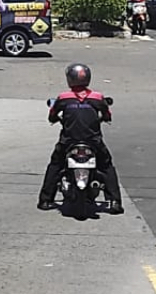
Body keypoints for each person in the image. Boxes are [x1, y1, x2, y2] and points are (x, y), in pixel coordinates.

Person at [37, 64, 123, 215]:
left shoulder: (63, 98)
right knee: (106, 167)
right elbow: (107, 114)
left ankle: (45, 200)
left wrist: (57, 118)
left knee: (55, 166)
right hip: (94, 142)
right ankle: (115, 201)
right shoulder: (97, 98)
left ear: (70, 79)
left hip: (68, 142)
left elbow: (52, 115)